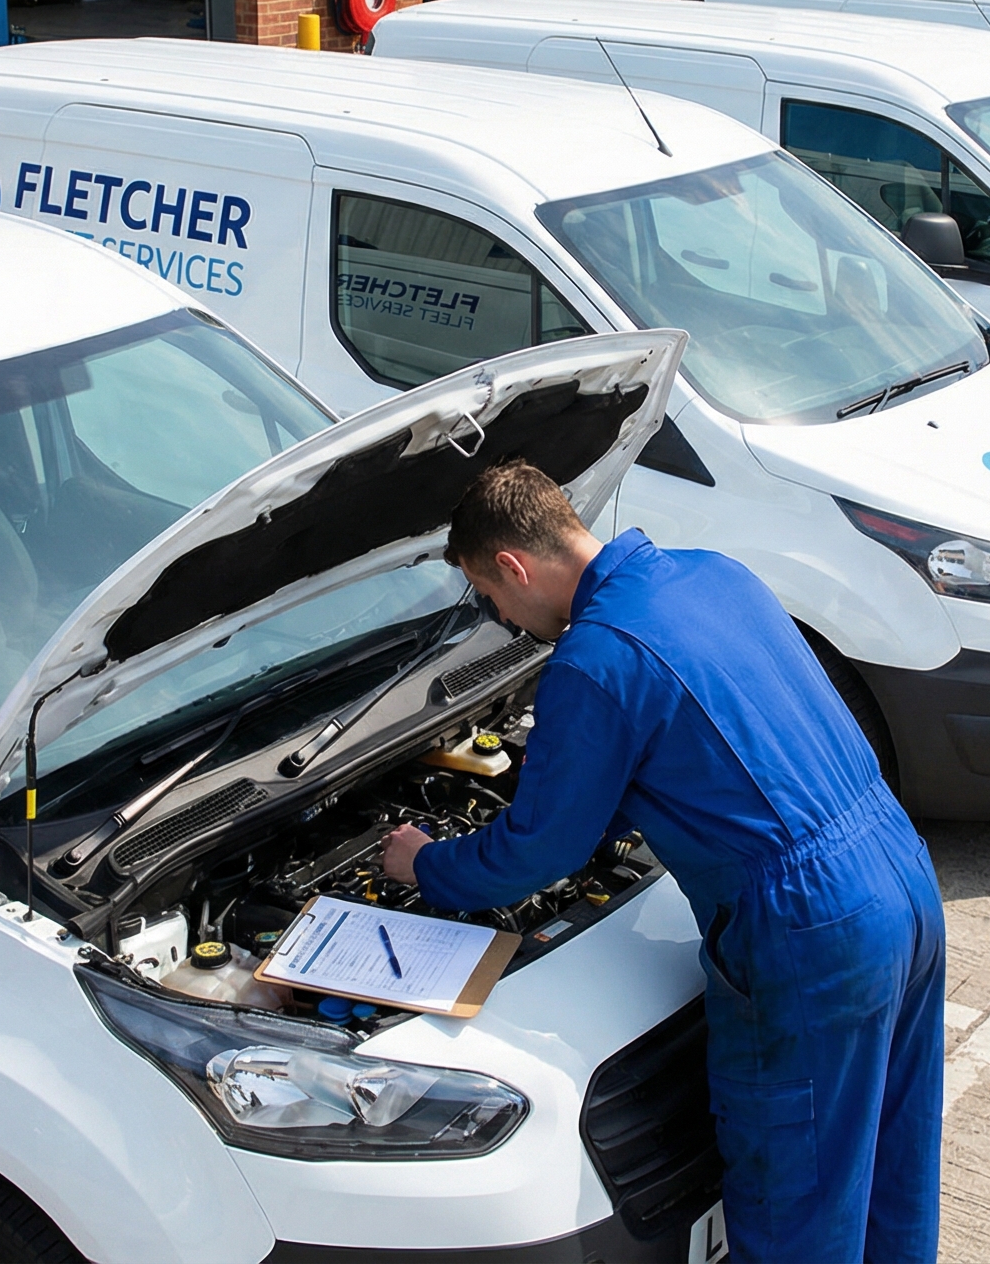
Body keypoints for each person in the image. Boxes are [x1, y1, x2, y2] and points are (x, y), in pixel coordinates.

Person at [381, 462, 944, 1264]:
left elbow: (540, 850)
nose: (498, 617)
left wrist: (426, 865)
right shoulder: (716, 574)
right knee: (892, 1162)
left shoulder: (594, 660)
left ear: (512, 565)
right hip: (901, 870)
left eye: (488, 594)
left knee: (799, 1202)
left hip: (809, 925)